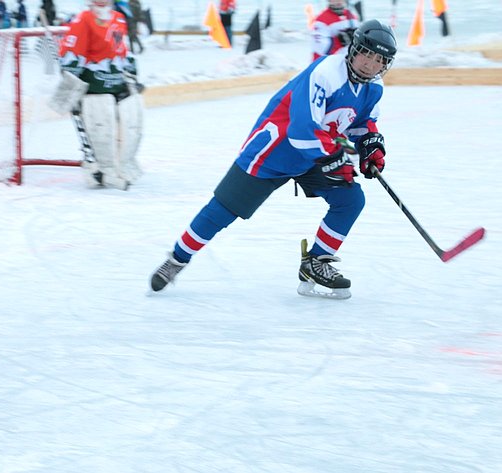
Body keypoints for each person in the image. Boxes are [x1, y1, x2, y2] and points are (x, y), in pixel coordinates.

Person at [149, 20, 397, 300]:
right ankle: (177, 260)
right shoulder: (326, 72)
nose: (370, 64)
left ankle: (315, 262)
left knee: (351, 200)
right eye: (366, 53)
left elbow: (362, 124)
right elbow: (301, 129)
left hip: (316, 154)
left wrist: (370, 146)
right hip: (274, 151)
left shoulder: (373, 88)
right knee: (221, 211)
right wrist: (334, 160)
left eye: (379, 60)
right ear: (353, 49)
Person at [55, 0, 143, 190]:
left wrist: (131, 72)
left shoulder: (118, 18)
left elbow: (122, 50)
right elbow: (71, 53)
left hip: (116, 84)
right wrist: (69, 85)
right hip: (94, 87)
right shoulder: (83, 20)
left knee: (130, 127)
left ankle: (122, 165)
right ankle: (100, 170)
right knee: (101, 130)